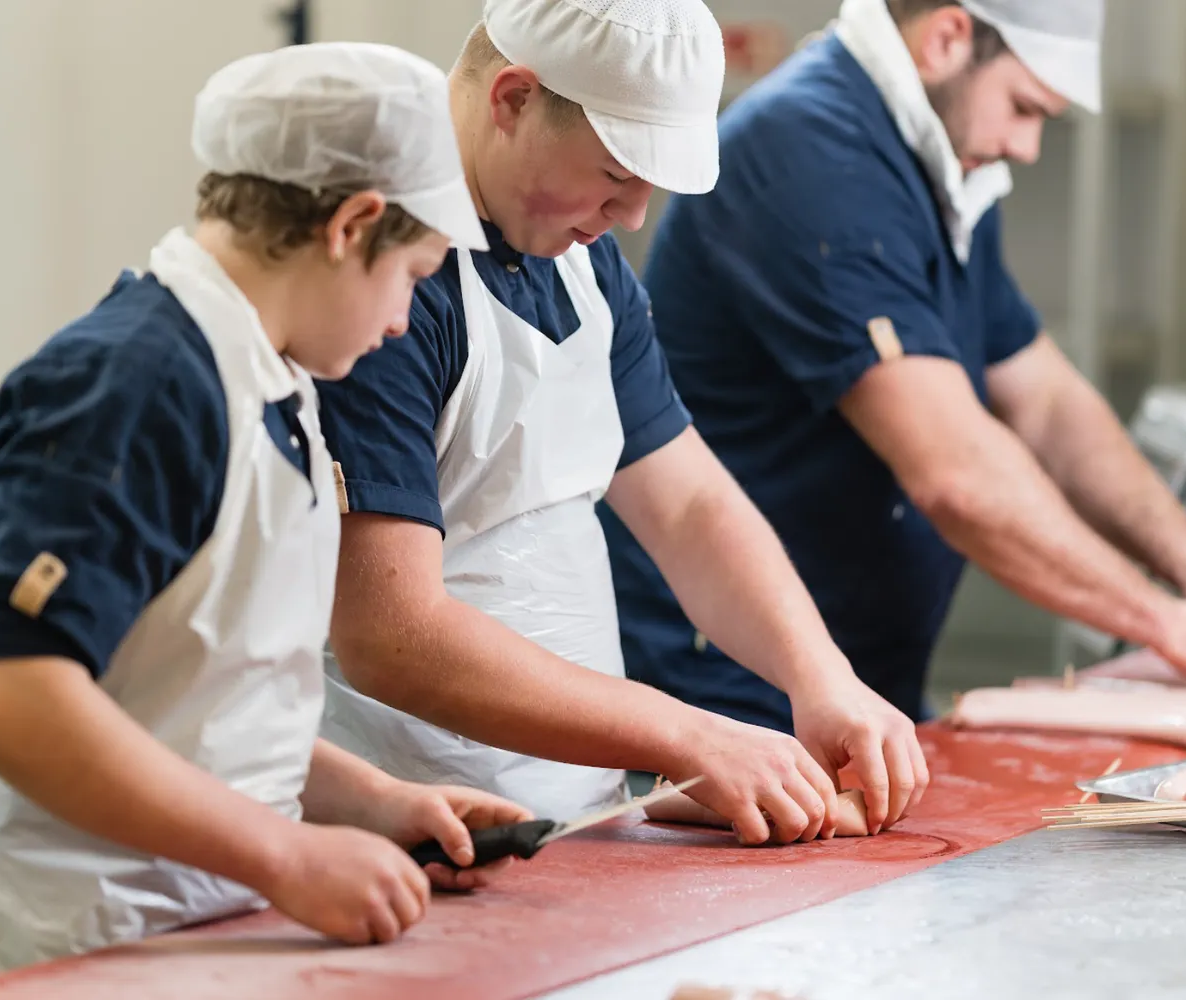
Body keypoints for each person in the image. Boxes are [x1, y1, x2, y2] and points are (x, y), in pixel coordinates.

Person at [0, 43, 530, 1000]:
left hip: (174, 916)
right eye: (414, 276)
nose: (397, 323)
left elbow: (195, 699)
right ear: (352, 224)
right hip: (51, 928)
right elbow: (5, 701)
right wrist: (287, 857)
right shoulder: (132, 385)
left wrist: (374, 803)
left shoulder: (268, 380)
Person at [603, 0, 1186, 738]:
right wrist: (1170, 624)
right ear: (949, 38)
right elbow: (955, 475)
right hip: (732, 692)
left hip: (858, 687)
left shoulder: (945, 158)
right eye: (1024, 107)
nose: (1028, 146)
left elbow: (1047, 401)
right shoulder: (806, 151)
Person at [316, 0, 929, 845]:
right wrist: (688, 735)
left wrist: (821, 678)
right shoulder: (387, 284)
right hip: (400, 834)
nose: (634, 215)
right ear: (512, 99)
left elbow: (686, 505)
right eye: (614, 173)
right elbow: (391, 635)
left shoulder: (577, 255)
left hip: (572, 821)